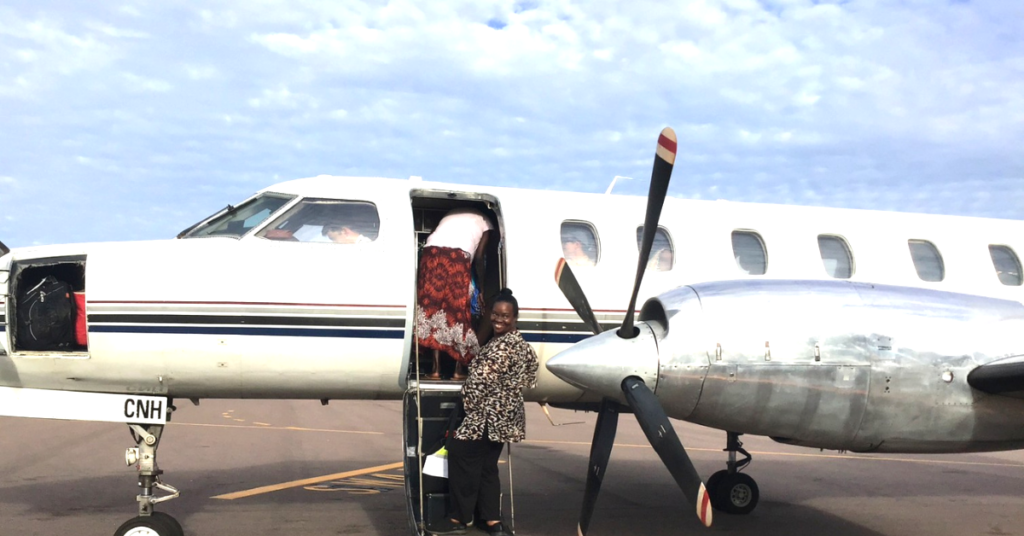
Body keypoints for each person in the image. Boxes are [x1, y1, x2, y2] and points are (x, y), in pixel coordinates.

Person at [431, 289, 538, 536]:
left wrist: (469, 408)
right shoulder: (521, 345)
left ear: (515, 317)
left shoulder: (500, 348)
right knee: (488, 467)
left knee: (463, 459)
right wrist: (509, 389)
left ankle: (459, 518)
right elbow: (532, 374)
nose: (499, 320)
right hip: (506, 418)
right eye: (495, 315)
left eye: (505, 316)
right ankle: (492, 521)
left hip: (485, 417)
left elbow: (476, 385)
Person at [416, 208, 494, 380]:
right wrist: (481, 288)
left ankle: (435, 371)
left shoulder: (449, 214)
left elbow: (432, 236)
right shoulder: (487, 222)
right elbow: (480, 257)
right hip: (456, 257)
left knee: (433, 313)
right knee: (458, 314)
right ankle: (459, 371)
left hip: (431, 254)